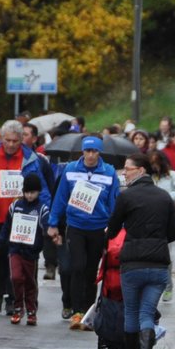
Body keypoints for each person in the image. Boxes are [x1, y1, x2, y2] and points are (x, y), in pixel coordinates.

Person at [105, 152, 175, 349]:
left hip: (132, 264)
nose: (124, 173)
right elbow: (173, 233)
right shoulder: (164, 197)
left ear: (141, 170)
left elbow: (114, 229)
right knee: (147, 313)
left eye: (128, 168)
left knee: (131, 313)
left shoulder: (126, 197)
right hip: (158, 265)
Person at [0, 121, 51, 316]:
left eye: (15, 141)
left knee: (16, 260)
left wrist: (46, 217)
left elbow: (42, 190)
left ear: (21, 140)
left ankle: (12, 298)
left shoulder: (31, 160)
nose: (10, 144)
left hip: (22, 219)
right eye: (6, 140)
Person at [49, 135, 121, 328]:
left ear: (99, 152)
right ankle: (76, 310)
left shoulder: (109, 172)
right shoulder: (71, 169)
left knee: (91, 271)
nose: (90, 155)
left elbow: (114, 202)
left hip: (98, 227)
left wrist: (114, 227)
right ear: (82, 151)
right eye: (87, 151)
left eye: (94, 151)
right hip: (76, 226)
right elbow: (60, 198)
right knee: (77, 267)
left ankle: (89, 312)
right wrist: (53, 223)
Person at [4, 173, 49, 326]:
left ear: (38, 192)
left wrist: (45, 240)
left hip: (31, 252)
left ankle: (31, 309)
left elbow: (45, 227)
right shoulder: (15, 206)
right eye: (27, 192)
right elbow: (7, 225)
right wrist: (4, 239)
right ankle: (17, 307)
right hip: (15, 249)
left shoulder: (42, 209)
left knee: (30, 281)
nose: (29, 195)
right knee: (16, 277)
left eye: (33, 192)